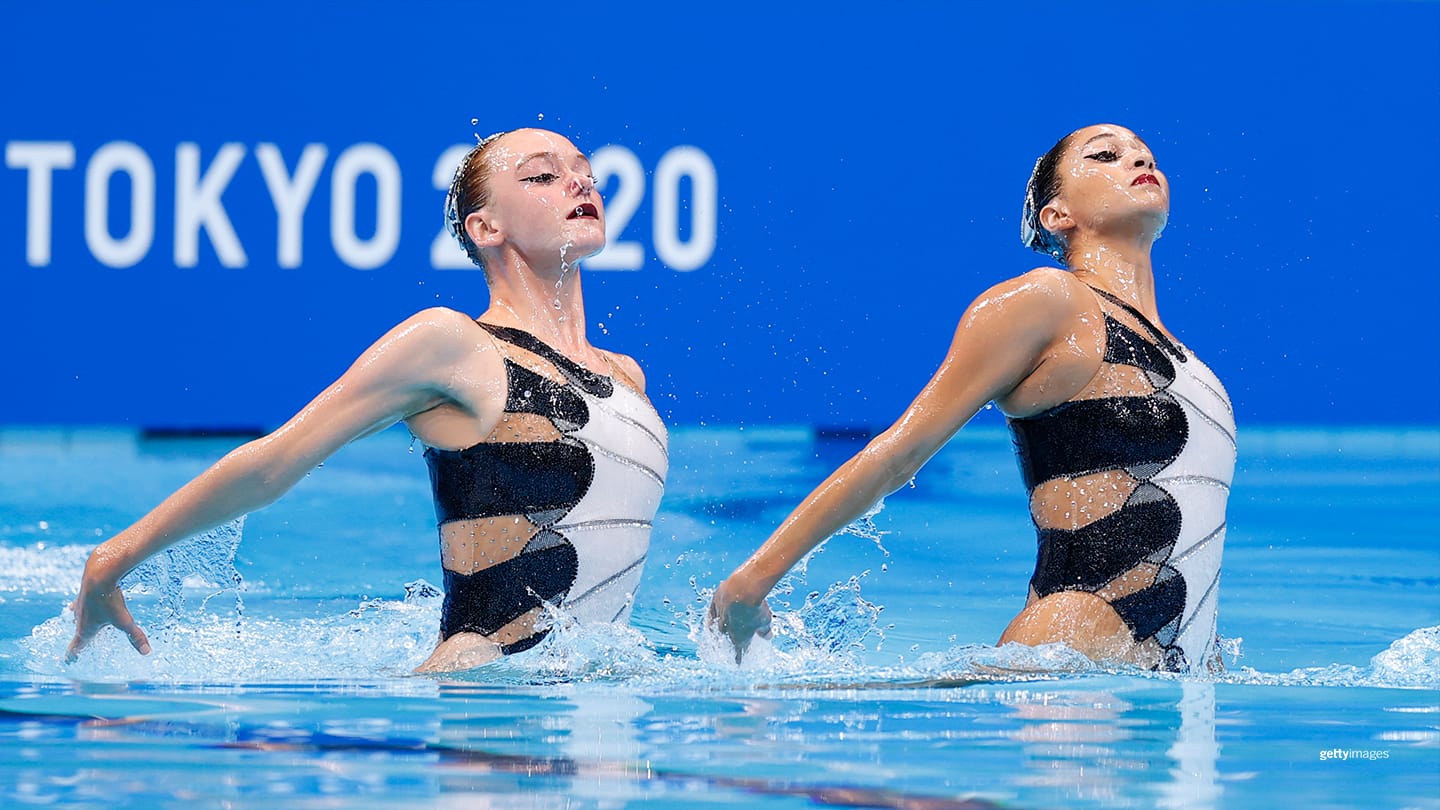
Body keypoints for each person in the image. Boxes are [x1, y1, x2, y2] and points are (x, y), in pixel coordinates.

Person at [67, 128, 669, 673]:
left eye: (584, 168)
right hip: (482, 704)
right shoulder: (454, 344)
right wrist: (113, 558)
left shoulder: (626, 375)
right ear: (486, 228)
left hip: (595, 709)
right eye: (542, 175)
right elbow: (276, 460)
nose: (579, 181)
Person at [709, 124, 1235, 673]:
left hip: (1175, 677)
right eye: (1106, 155)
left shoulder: (1189, 361)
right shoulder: (1047, 302)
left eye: (1145, 155)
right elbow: (898, 454)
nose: (1135, 160)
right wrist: (750, 584)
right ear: (1056, 215)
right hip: (1071, 648)